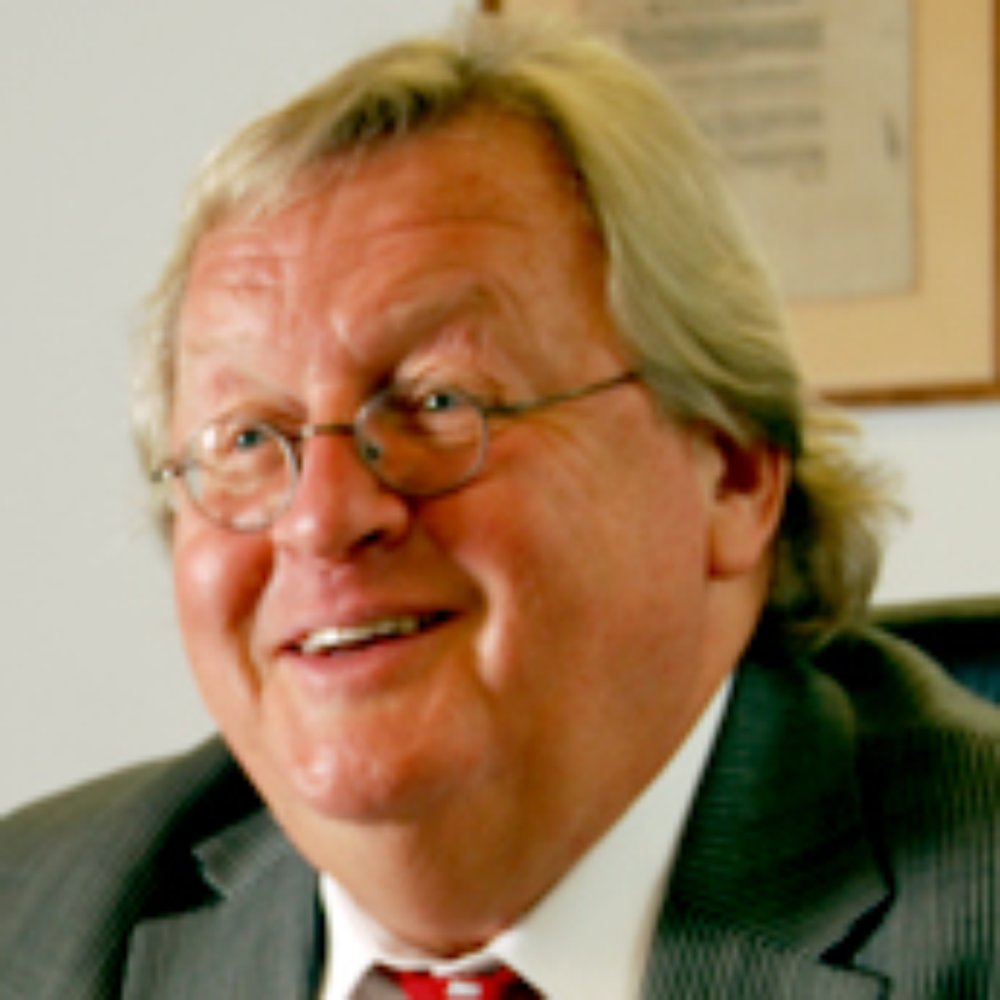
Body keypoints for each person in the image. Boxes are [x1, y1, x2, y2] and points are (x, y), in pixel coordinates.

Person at [2, 12, 998, 999]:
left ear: (731, 472)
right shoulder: (34, 929)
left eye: (440, 402)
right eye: (248, 440)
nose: (321, 518)